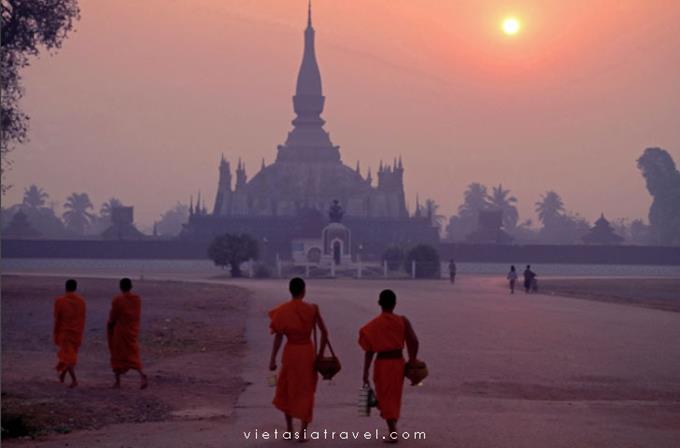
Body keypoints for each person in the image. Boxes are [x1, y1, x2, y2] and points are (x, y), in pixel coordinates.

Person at [269, 277, 329, 441]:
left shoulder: (282, 310)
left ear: (290, 290)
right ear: (304, 291)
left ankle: (289, 430)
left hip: (291, 353)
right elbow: (324, 333)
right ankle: (302, 432)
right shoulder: (312, 309)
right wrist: (321, 353)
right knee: (306, 390)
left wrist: (272, 359)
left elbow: (278, 337)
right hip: (307, 353)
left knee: (287, 389)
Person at [359, 289, 420, 443]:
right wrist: (412, 360)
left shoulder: (374, 325)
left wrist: (365, 372)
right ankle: (392, 426)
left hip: (382, 364)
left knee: (384, 396)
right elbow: (414, 341)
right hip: (398, 363)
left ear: (379, 303)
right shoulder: (402, 320)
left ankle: (392, 430)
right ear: (395, 303)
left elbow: (369, 350)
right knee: (393, 396)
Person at [107, 278, 148, 389]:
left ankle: (117, 382)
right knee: (133, 354)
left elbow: (113, 316)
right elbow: (135, 316)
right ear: (131, 287)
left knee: (117, 354)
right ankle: (141, 374)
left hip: (120, 332)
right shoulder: (136, 299)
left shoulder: (118, 300)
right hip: (131, 331)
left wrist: (110, 325)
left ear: (120, 287)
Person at [53, 279, 86, 388]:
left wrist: (56, 332)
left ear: (66, 287)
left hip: (66, 333)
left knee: (69, 358)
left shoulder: (60, 301)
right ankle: (63, 375)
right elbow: (83, 317)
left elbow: (57, 318)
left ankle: (74, 380)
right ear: (75, 288)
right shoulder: (81, 301)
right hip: (77, 333)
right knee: (70, 357)